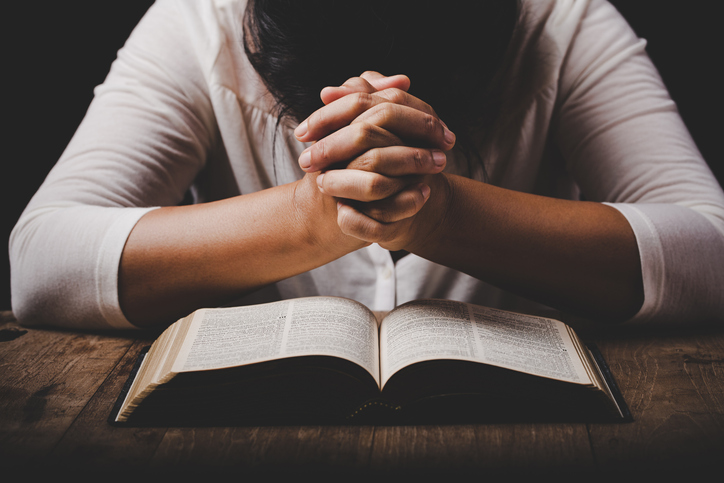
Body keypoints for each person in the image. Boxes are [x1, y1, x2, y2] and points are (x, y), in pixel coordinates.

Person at [9, 0, 724, 330]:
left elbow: (711, 247)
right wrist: (313, 214)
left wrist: (442, 215)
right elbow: (42, 260)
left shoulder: (562, 22)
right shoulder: (201, 22)